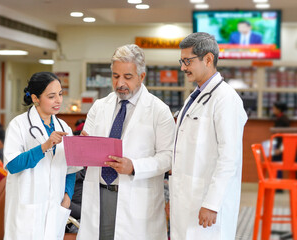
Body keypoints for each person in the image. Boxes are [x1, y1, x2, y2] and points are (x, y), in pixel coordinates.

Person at [77, 44, 175, 240]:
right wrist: (82, 147)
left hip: (136, 196)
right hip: (99, 193)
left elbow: (168, 157)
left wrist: (134, 167)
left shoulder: (159, 111)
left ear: (142, 76)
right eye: (115, 76)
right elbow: (86, 142)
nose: (120, 83)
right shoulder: (99, 107)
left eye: (127, 77)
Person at [169, 32, 247, 240]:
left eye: (188, 61)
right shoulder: (195, 97)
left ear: (208, 59)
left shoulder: (225, 99)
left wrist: (212, 204)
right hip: (186, 199)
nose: (183, 67)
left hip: (207, 204)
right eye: (182, 61)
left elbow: (229, 157)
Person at [3, 72, 81, 240]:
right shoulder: (19, 125)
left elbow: (71, 167)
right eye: (51, 96)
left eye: (60, 94)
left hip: (55, 207)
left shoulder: (64, 126)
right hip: (27, 208)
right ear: (35, 98)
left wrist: (67, 196)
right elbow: (13, 165)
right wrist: (44, 146)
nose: (58, 100)